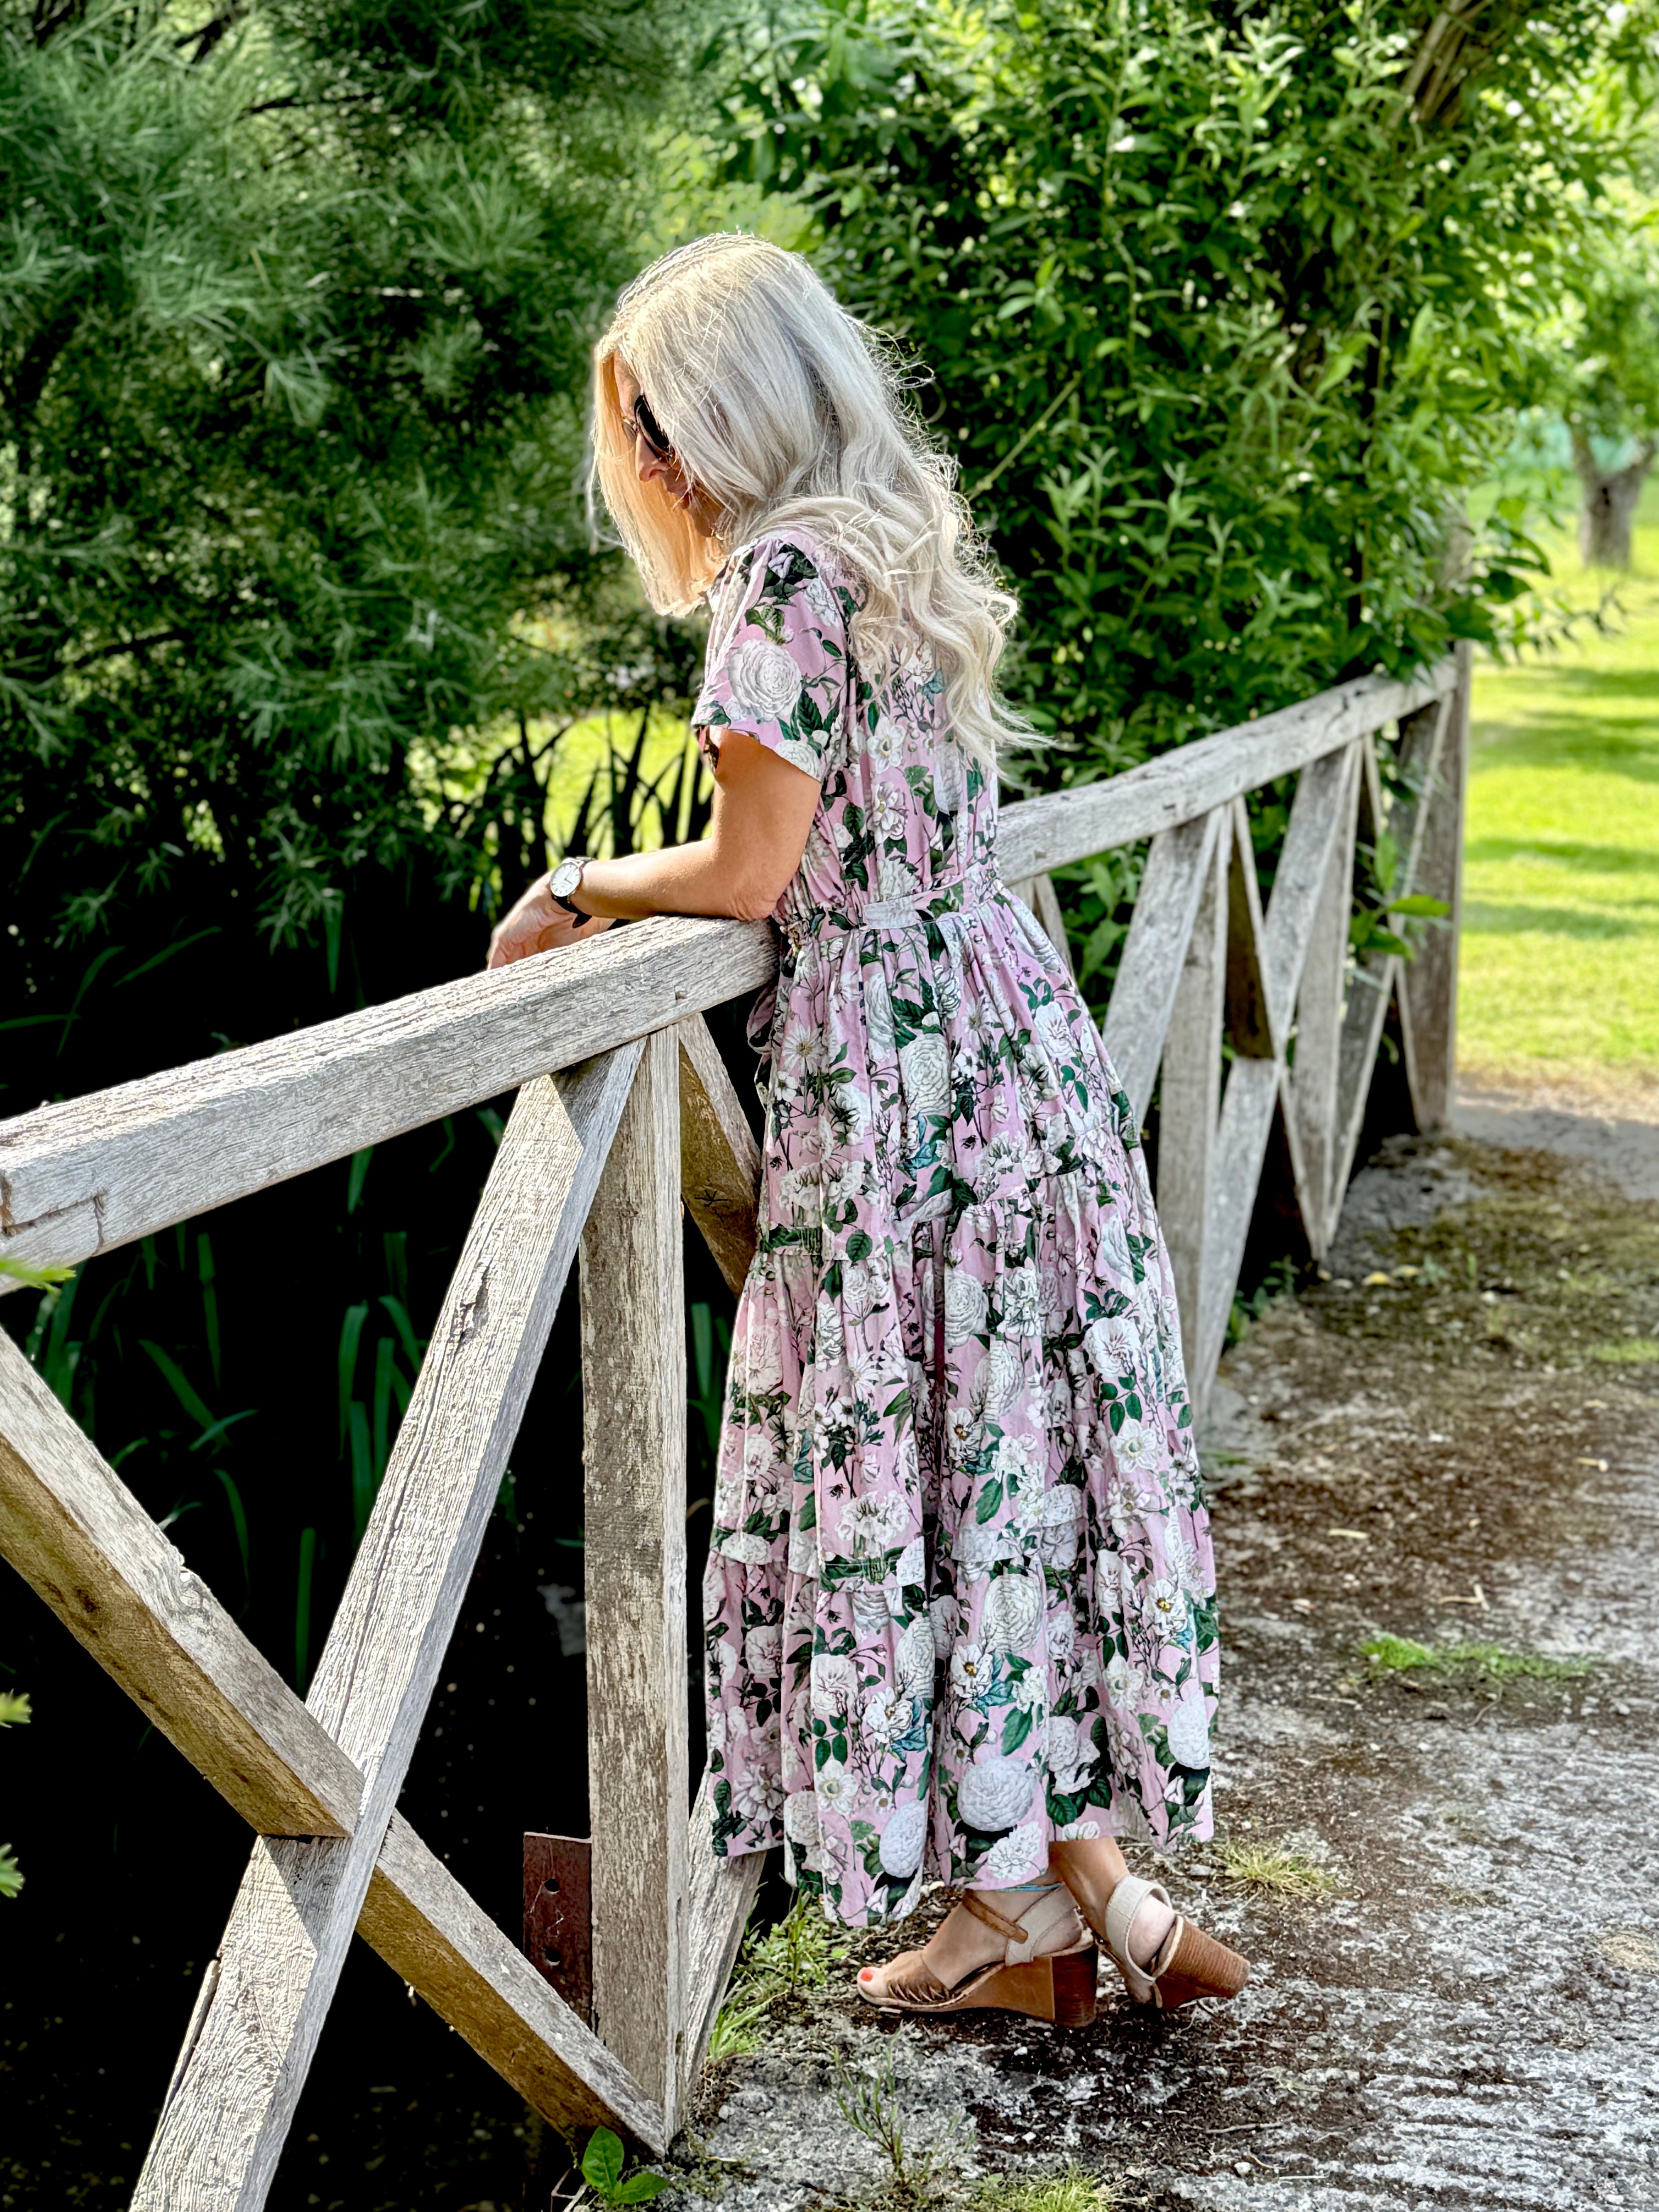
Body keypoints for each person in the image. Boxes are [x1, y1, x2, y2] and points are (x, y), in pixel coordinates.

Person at [487, 234, 1247, 2023]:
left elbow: (754, 874)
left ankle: (1035, 1916)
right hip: (1003, 1039)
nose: (651, 480)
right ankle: (1079, 1911)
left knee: (915, 1462)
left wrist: (574, 884)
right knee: (1000, 1460)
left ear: (716, 427)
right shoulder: (898, 556)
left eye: (656, 439)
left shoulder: (778, 585)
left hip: (888, 1083)